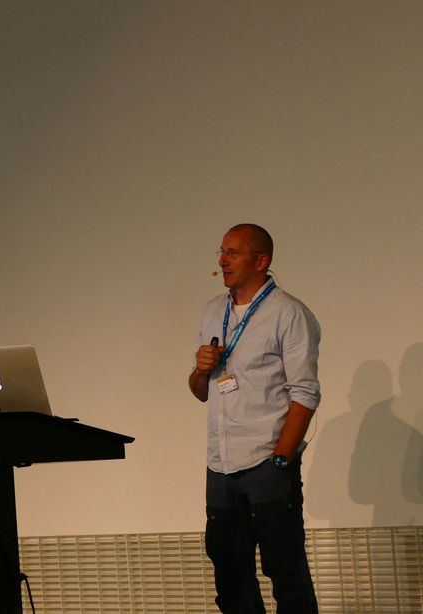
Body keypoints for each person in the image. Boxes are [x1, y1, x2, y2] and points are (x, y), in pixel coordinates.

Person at [188, 223, 321, 614]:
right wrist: (200, 370)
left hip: (266, 461)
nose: (222, 261)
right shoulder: (213, 311)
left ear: (261, 261)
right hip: (220, 465)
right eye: (221, 252)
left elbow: (305, 393)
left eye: (233, 253)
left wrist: (281, 460)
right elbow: (200, 391)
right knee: (230, 576)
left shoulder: (289, 313)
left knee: (285, 572)